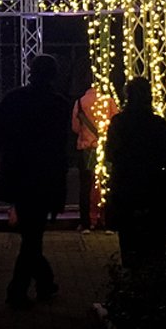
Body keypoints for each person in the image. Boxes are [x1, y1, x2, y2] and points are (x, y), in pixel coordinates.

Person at [0, 54, 71, 306]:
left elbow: (0, 135)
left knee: (31, 236)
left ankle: (42, 283)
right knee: (32, 236)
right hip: (44, 177)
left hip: (20, 175)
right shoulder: (58, 104)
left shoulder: (14, 99)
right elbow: (61, 146)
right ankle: (19, 290)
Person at [105, 76, 166, 270]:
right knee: (155, 246)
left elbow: (110, 154)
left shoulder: (119, 122)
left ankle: (132, 284)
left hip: (126, 187)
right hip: (154, 189)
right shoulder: (158, 124)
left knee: (128, 242)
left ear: (127, 96)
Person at [71, 83, 102, 231]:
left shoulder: (80, 102)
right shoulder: (107, 101)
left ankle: (85, 222)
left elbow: (75, 128)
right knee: (102, 185)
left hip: (85, 149)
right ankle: (103, 220)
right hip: (103, 149)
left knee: (85, 186)